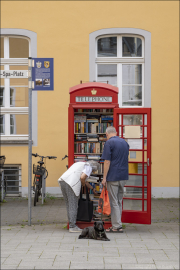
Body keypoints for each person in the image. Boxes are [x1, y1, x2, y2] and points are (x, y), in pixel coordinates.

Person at [58, 160, 100, 232]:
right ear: (94, 167)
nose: (93, 172)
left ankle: (71, 223)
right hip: (71, 183)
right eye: (94, 171)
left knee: (69, 205)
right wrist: (83, 185)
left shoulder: (80, 164)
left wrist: (92, 188)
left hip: (63, 181)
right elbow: (83, 178)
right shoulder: (88, 167)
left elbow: (85, 180)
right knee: (73, 205)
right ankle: (72, 226)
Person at [101, 126, 129, 233]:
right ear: (116, 132)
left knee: (114, 202)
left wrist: (104, 178)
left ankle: (116, 226)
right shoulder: (124, 142)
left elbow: (107, 161)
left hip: (113, 176)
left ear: (107, 134)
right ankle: (118, 224)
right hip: (123, 176)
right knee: (118, 201)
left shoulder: (109, 143)